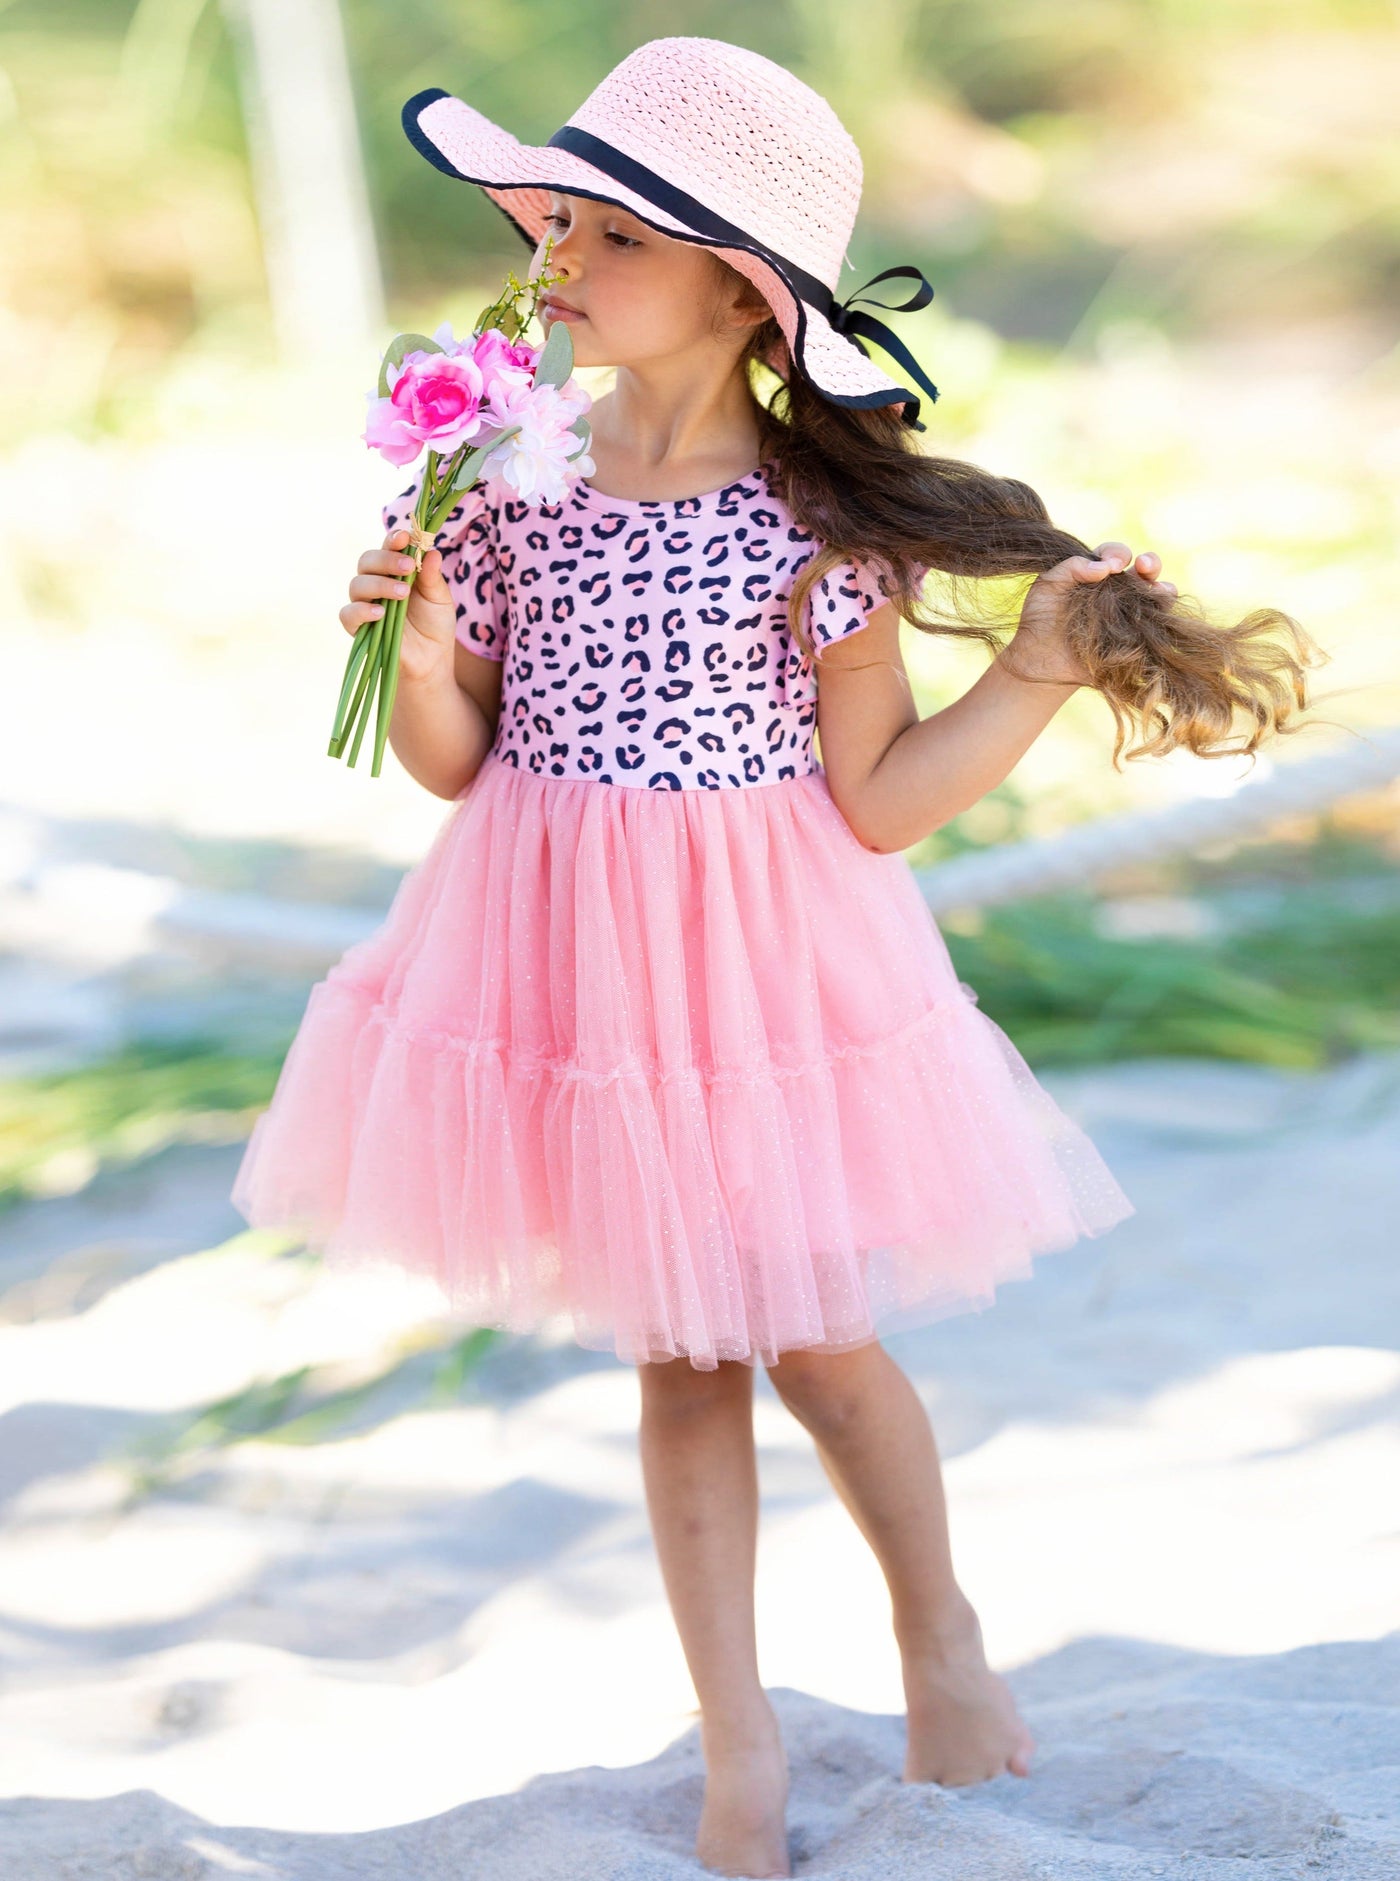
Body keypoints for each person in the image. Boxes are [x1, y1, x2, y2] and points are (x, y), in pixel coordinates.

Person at [230, 37, 1316, 1880]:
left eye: (607, 237)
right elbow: (457, 764)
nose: (555, 262)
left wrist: (1038, 669)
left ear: (740, 289)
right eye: (549, 225)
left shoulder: (811, 522)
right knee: (675, 1353)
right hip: (564, 956)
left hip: (755, 973)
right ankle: (737, 1742)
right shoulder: (509, 479)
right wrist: (410, 640)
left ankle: (939, 1634)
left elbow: (880, 801)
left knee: (818, 1337)